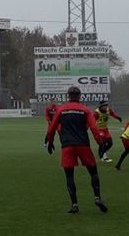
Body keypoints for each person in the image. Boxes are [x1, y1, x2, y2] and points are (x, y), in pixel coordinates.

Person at [45, 86, 108, 214]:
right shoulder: (85, 110)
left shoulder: (61, 109)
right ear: (80, 96)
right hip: (83, 145)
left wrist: (50, 142)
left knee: (69, 176)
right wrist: (101, 144)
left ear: (68, 96)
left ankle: (74, 205)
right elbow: (94, 129)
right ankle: (97, 198)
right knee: (93, 172)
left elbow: (52, 128)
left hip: (67, 146)